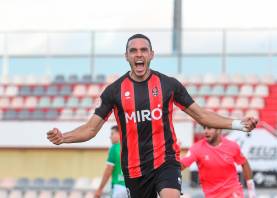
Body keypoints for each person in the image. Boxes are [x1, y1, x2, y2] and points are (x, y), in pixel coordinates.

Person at [47, 33, 258, 198]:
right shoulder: (114, 91)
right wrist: (63, 137)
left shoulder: (169, 85)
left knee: (170, 194)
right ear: (127, 56)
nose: (139, 54)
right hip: (134, 169)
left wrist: (239, 124)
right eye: (133, 50)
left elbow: (201, 115)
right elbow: (90, 129)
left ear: (151, 54)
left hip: (165, 160)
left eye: (143, 50)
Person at [181, 126, 256, 198]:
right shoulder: (197, 148)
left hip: (233, 192)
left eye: (209, 128)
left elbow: (244, 163)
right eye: (204, 128)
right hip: (211, 195)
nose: (206, 131)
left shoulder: (232, 146)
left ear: (219, 130)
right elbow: (181, 166)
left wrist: (251, 191)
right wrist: (173, 155)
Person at [94, 125, 127, 198]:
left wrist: (100, 189)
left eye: (112, 133)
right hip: (130, 188)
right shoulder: (129, 147)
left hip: (118, 187)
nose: (110, 137)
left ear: (119, 134)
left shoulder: (114, 148)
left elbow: (108, 170)